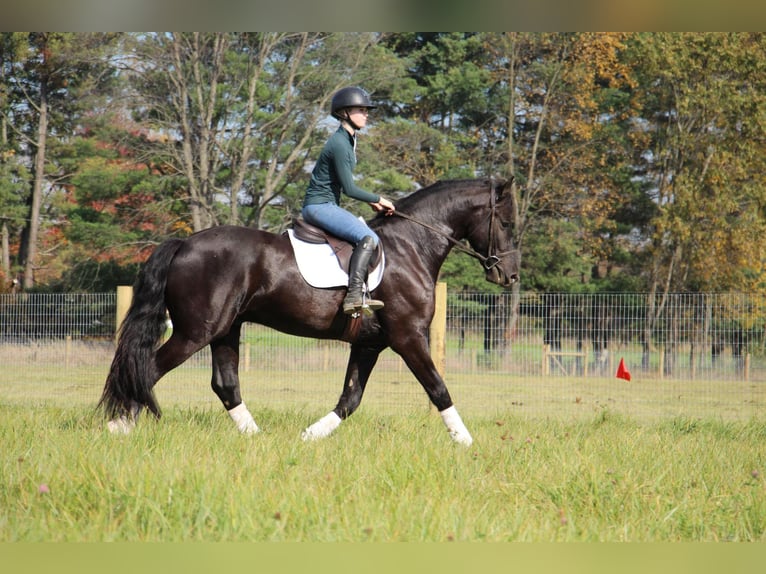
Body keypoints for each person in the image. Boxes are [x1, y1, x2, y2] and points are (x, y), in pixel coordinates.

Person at [302, 86, 396, 315]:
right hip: (319, 205)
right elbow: (350, 189)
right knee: (368, 236)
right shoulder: (340, 144)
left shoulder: (348, 140)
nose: (366, 114)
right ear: (344, 112)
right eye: (361, 110)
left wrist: (372, 202)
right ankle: (355, 294)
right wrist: (379, 198)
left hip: (326, 205)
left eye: (366, 110)